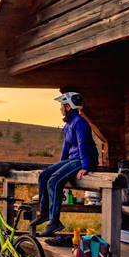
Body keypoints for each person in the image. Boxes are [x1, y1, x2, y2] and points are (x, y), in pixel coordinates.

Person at [31, 92, 99, 237]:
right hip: (73, 160)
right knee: (44, 175)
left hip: (83, 160)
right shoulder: (68, 125)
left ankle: (54, 222)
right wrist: (61, 165)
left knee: (54, 181)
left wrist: (86, 167)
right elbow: (66, 148)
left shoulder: (80, 123)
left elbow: (83, 145)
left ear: (68, 107)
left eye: (62, 105)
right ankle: (44, 213)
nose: (60, 108)